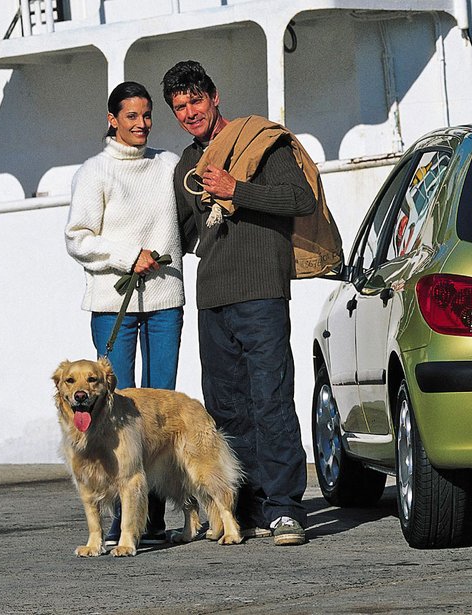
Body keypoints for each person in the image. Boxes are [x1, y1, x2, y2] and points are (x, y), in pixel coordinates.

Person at [162, 60, 313, 546]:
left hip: (262, 289)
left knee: (271, 399)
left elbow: (299, 199)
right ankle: (243, 508)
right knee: (227, 408)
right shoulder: (186, 165)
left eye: (196, 101)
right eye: (180, 107)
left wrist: (237, 191)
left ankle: (287, 508)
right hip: (212, 296)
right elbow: (184, 233)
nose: (190, 113)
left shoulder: (260, 140)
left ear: (215, 96)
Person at [64, 81, 183, 546]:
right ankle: (118, 522)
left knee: (158, 408)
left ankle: (150, 517)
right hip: (114, 302)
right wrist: (127, 255)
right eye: (131, 115)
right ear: (113, 119)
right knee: (109, 409)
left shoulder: (168, 164)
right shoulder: (95, 171)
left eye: (147, 114)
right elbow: (78, 237)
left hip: (165, 298)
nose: (141, 123)